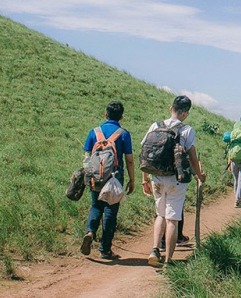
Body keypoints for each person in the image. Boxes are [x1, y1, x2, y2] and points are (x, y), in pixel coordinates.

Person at [142, 95, 206, 267]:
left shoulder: (155, 126)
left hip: (156, 177)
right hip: (176, 180)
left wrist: (145, 179)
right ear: (185, 113)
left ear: (171, 109)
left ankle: (155, 249)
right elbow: (192, 156)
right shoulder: (187, 130)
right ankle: (168, 260)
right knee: (172, 219)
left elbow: (145, 153)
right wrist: (199, 175)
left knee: (160, 215)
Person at [80, 101, 135, 259]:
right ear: (121, 117)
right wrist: (132, 180)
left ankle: (90, 232)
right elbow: (129, 160)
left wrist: (89, 175)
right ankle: (105, 249)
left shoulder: (94, 132)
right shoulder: (123, 134)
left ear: (105, 115)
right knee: (110, 210)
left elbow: (86, 157)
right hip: (114, 178)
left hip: (95, 177)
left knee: (96, 206)